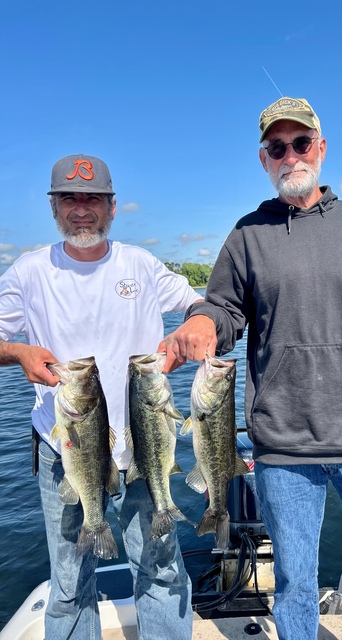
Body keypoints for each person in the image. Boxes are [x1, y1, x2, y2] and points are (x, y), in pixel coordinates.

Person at [158, 97, 342, 640]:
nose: (290, 155)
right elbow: (224, 309)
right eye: (277, 147)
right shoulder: (246, 236)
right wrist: (201, 322)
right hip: (283, 443)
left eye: (301, 143)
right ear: (263, 158)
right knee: (293, 581)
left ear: (321, 148)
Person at [0, 154, 200, 640]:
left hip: (144, 445)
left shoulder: (141, 263)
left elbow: (198, 301)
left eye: (94, 199)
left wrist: (198, 319)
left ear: (112, 207)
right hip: (62, 447)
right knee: (69, 585)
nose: (82, 209)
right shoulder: (28, 272)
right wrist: (18, 351)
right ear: (53, 206)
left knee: (162, 568)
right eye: (70, 198)